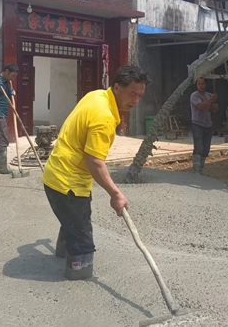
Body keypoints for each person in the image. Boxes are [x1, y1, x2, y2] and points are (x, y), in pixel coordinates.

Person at [42, 65, 150, 280]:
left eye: (140, 96)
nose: (136, 101)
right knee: (82, 240)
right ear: (117, 87)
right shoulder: (104, 117)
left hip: (56, 173)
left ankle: (63, 251)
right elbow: (94, 162)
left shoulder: (97, 95)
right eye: (132, 94)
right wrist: (115, 194)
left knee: (73, 219)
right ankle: (78, 277)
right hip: (68, 183)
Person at [190, 77, 218, 174]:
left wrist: (214, 106)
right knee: (199, 147)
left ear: (206, 84)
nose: (201, 86)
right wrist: (211, 100)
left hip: (207, 125)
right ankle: (196, 170)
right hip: (197, 124)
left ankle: (201, 169)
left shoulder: (209, 96)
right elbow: (201, 106)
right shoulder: (194, 96)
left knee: (206, 148)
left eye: (203, 84)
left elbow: (214, 110)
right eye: (199, 84)